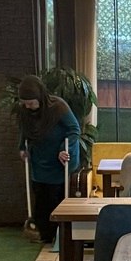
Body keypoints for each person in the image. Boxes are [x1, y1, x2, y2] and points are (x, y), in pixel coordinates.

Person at [16, 75, 80, 245]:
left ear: (40, 97)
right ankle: (43, 233)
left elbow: (74, 129)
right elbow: (24, 129)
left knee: (53, 196)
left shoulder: (58, 107)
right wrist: (22, 148)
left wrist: (63, 149)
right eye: (25, 103)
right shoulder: (25, 111)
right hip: (39, 158)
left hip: (58, 161)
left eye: (31, 103)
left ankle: (56, 234)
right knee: (40, 195)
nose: (28, 107)